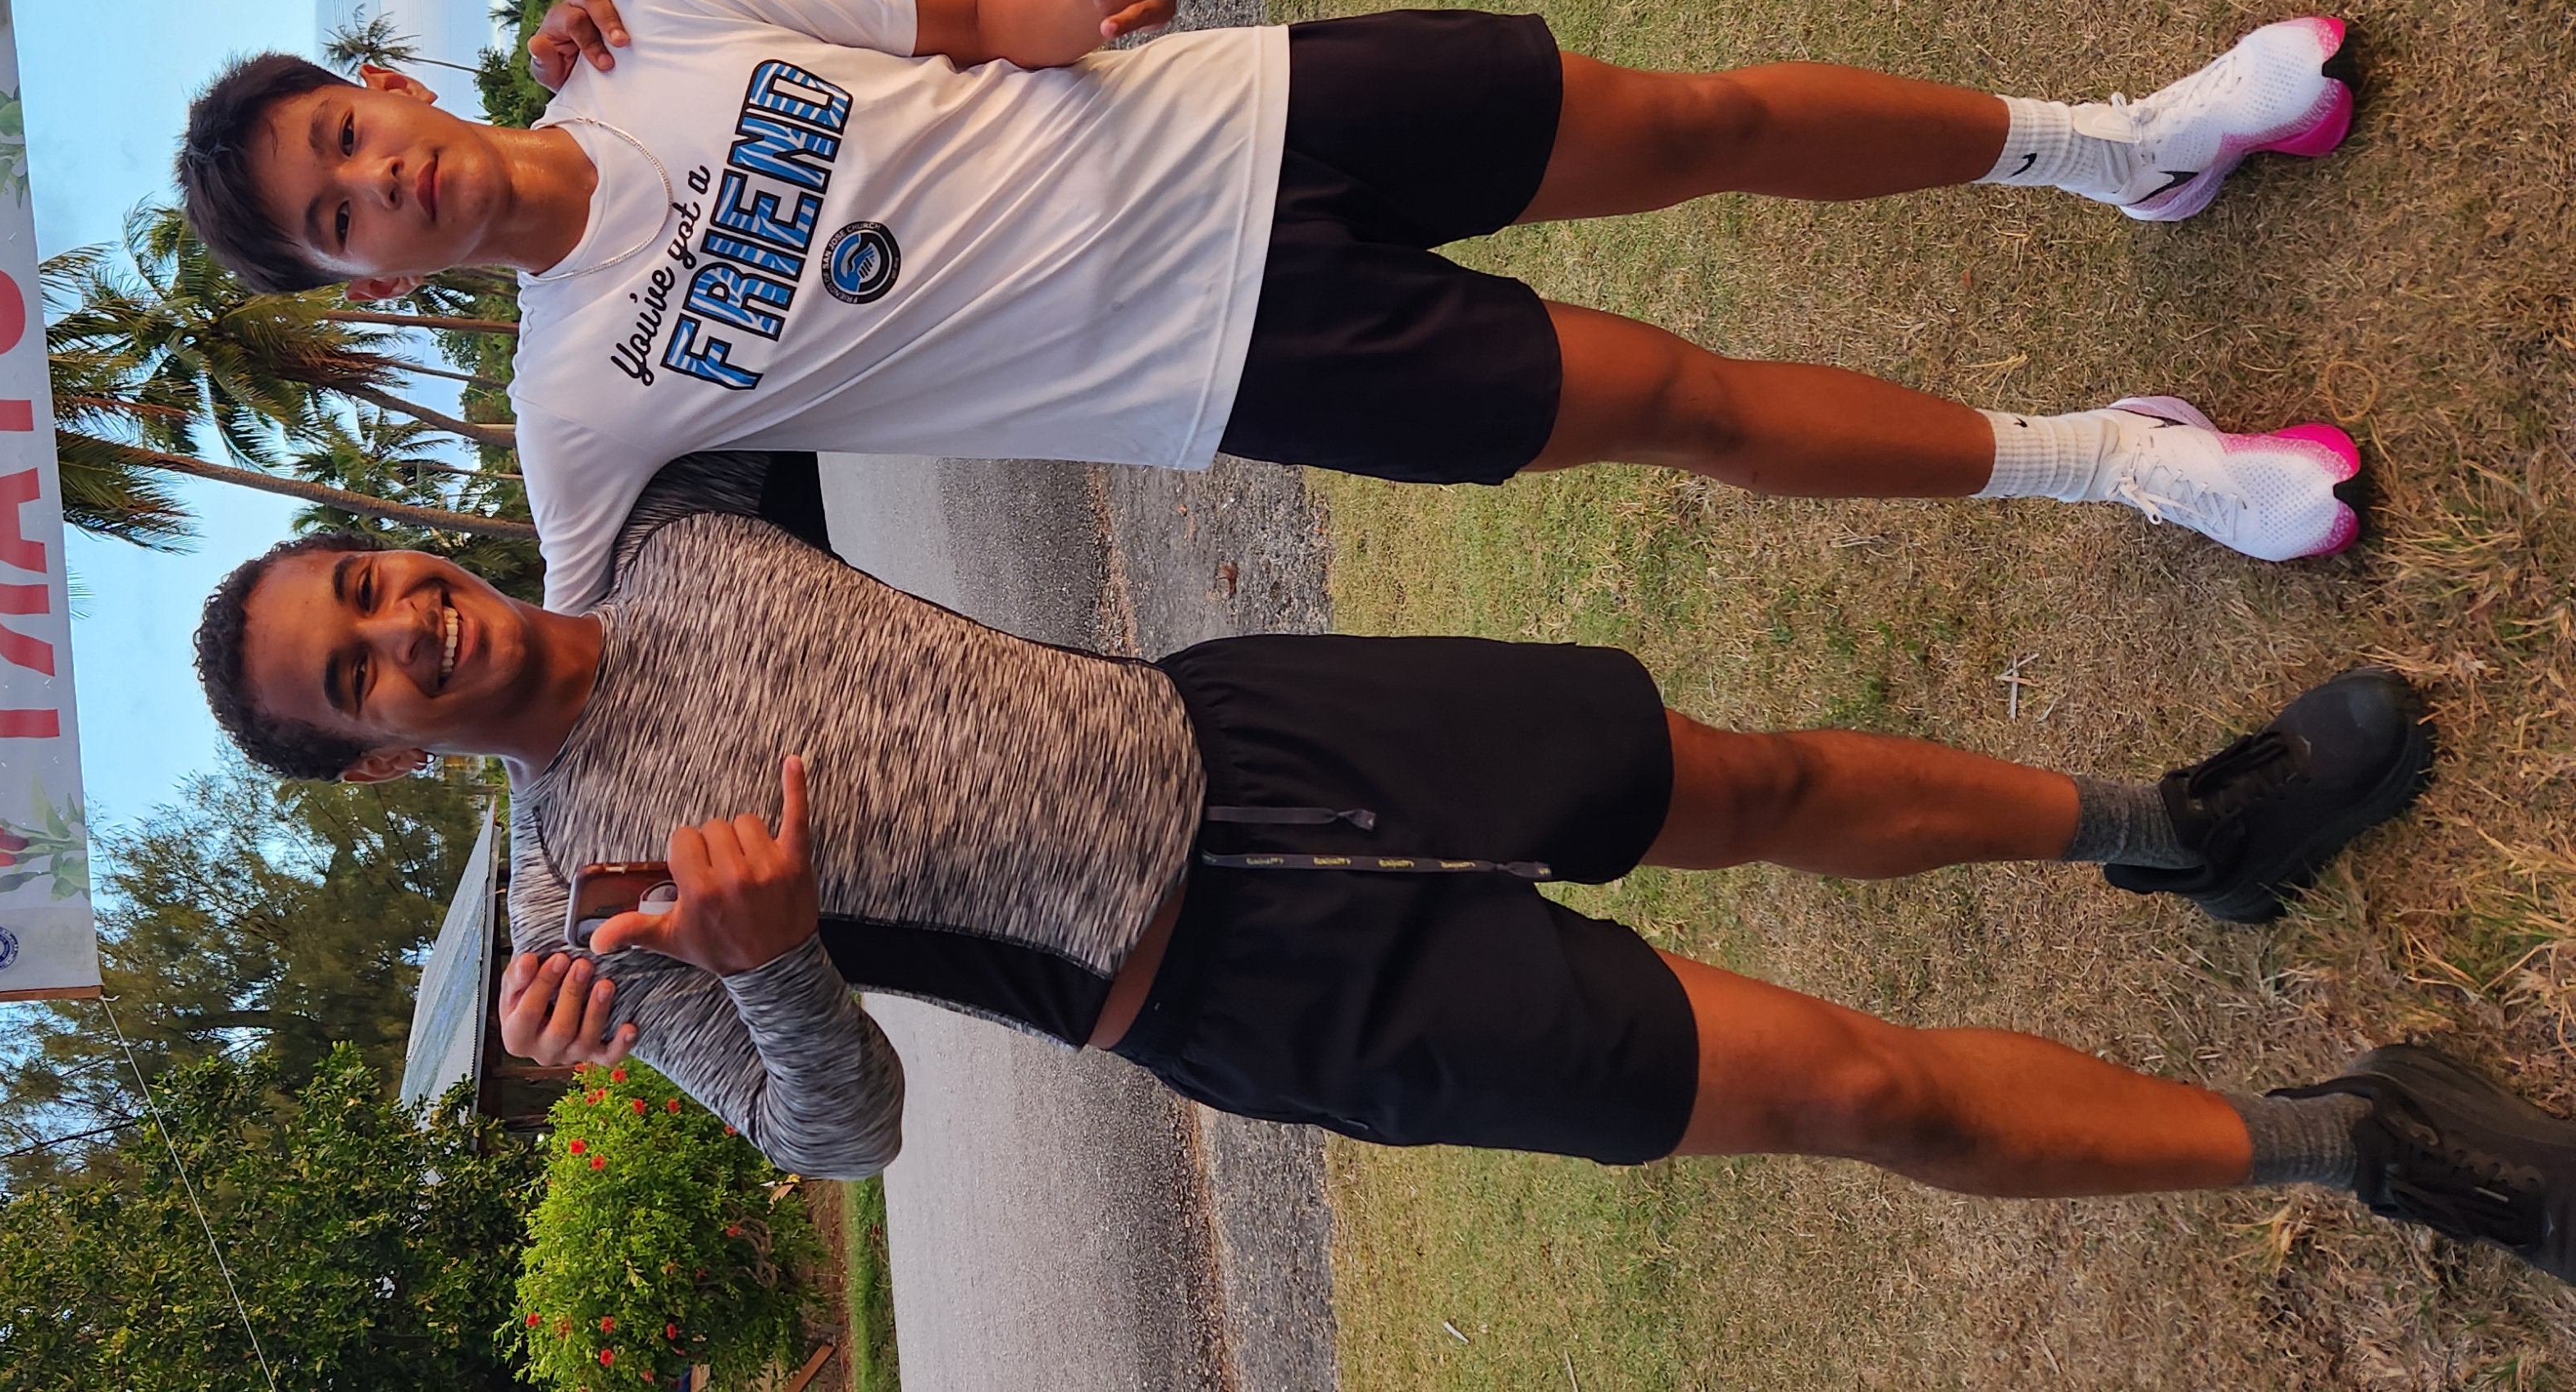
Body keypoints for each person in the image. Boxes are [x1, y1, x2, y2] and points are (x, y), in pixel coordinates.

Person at [187, 454, 2576, 1283]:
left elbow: (676, 205)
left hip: (1267, 719)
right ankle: (2353, 1135)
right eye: (361, 677)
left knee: (1744, 774)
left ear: (404, 548)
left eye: (373, 587)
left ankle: (2191, 831)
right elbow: (844, 1130)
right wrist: (784, 965)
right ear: (377, 764)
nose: (410, 630)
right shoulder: (586, 916)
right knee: (1854, 1092)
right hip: (1245, 985)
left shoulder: (669, 518)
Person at [174, 0, 2367, 612]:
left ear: (380, 84)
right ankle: (2128, 460)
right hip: (1227, 362)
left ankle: (2126, 138)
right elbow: (568, 679)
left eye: (342, 143)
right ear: (359, 287)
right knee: (1687, 407)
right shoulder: (574, 413)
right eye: (334, 226)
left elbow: (972, 22)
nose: (376, 188)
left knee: (1693, 119)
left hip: (1267, 111)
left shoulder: (646, 19)